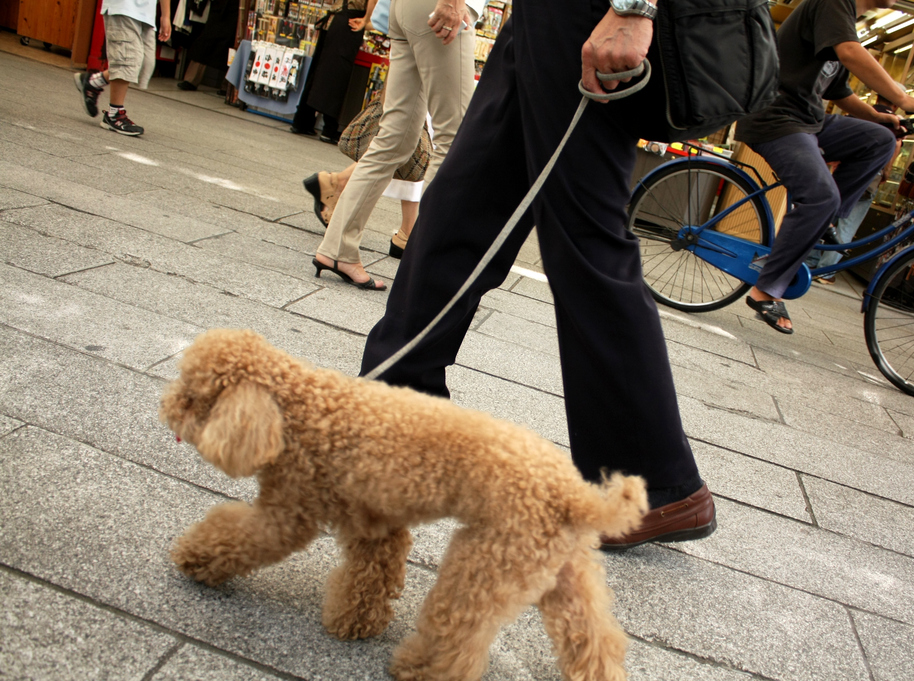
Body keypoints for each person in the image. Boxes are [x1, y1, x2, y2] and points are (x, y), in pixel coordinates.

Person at [359, 0, 717, 550]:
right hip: (541, 15)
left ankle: (650, 482)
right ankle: (396, 406)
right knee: (462, 204)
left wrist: (633, 7)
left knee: (583, 235)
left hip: (589, 15)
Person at [734, 0, 914, 333]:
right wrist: (903, 98)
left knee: (880, 140)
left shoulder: (847, 21)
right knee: (820, 197)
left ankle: (826, 218)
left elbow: (839, 91)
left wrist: (878, 117)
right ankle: (765, 290)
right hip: (776, 119)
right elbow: (850, 54)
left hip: (809, 122)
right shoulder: (834, 3)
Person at [311, 0, 484, 290]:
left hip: (406, 8)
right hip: (441, 7)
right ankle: (432, 273)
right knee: (454, 141)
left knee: (393, 139)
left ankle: (337, 249)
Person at [805, 92, 907, 283]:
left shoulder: (864, 113)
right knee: (846, 223)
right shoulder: (893, 124)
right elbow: (894, 147)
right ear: (895, 105)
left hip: (844, 171)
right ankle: (826, 271)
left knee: (826, 215)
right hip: (869, 176)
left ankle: (809, 260)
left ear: (878, 98)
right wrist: (886, 172)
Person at [73, 0, 172, 136]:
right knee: (127, 61)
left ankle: (94, 82)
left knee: (144, 64)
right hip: (123, 7)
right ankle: (114, 114)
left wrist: (165, 16)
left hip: (146, 13)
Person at [290, 0, 376, 143]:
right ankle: (329, 128)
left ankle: (302, 120)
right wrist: (367, 20)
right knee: (338, 75)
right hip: (351, 21)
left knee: (319, 70)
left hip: (335, 19)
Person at [175, 0, 239, 93]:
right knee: (205, 40)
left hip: (238, 7)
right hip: (219, 6)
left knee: (232, 46)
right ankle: (191, 80)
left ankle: (228, 86)